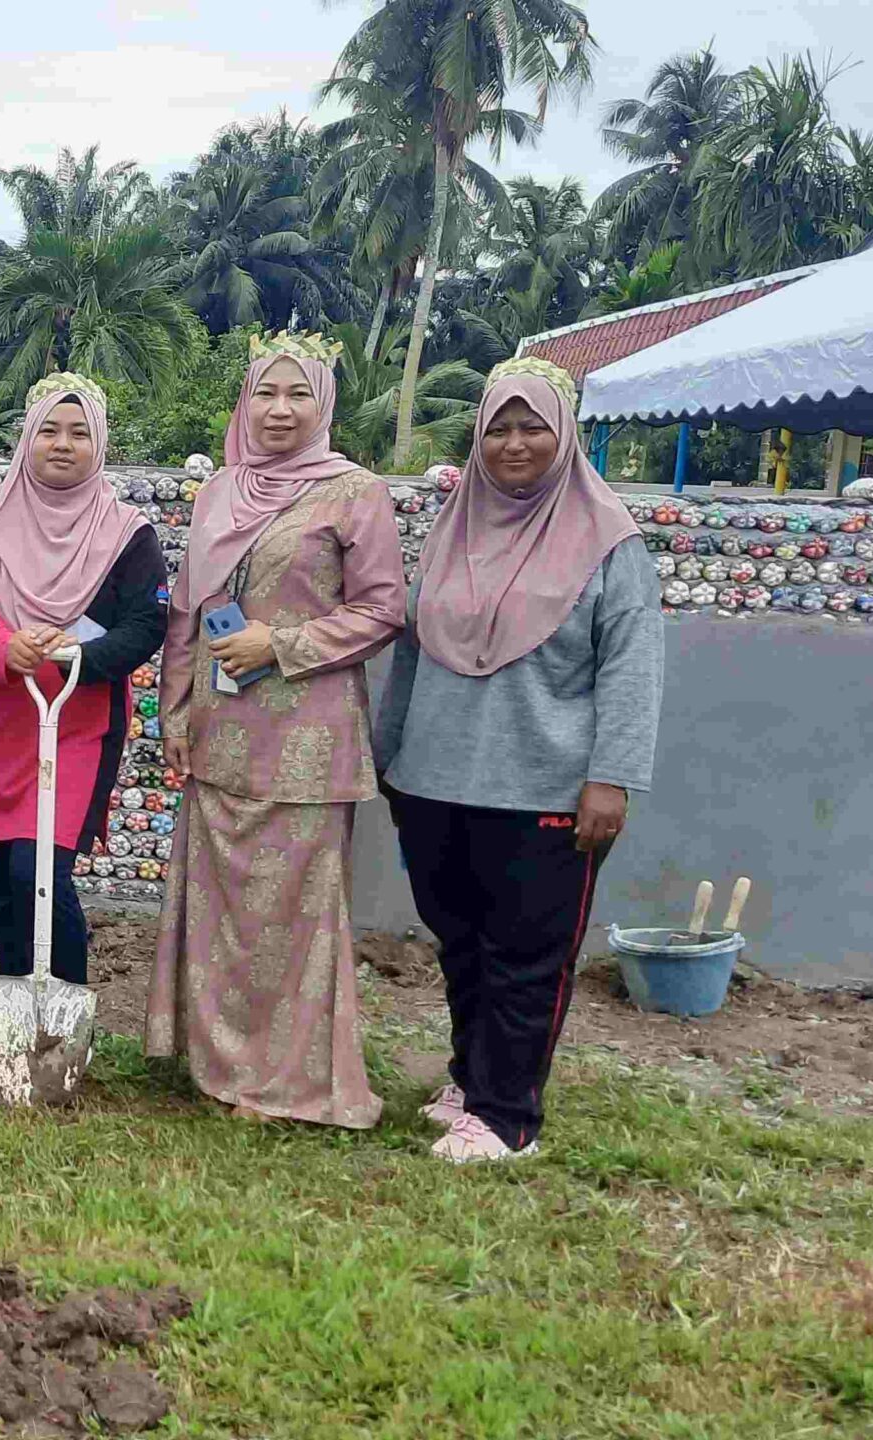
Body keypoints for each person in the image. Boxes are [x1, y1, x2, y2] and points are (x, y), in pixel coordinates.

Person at [374, 357, 661, 1163]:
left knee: (527, 955)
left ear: (565, 433)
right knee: (459, 942)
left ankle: (507, 1118)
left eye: (533, 425)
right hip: (433, 779)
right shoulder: (454, 525)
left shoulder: (609, 542)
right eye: (497, 427)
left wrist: (612, 777)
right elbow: (412, 651)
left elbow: (632, 666)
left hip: (545, 785)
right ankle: (471, 1080)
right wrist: (388, 755)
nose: (513, 444)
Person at [145, 330, 407, 1129]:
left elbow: (384, 608)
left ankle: (283, 1081)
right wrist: (175, 710)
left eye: (299, 394)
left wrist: (282, 644)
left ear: (323, 404)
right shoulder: (222, 489)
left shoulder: (354, 492)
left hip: (307, 736)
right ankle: (215, 1061)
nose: (281, 410)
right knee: (223, 905)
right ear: (246, 401)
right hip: (222, 729)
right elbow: (189, 607)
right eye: (267, 392)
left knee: (289, 915)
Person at [0, 375, 168, 993]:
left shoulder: (127, 533)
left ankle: (66, 997)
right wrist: (5, 646)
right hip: (6, 717)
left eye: (78, 433)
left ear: (98, 444)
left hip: (81, 723)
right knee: (2, 866)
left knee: (40, 865)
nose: (62, 444)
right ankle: (16, 997)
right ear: (27, 438)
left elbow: (147, 622)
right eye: (48, 430)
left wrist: (81, 656)